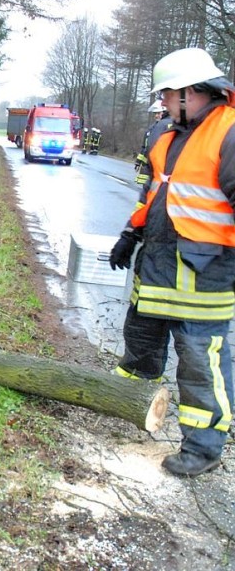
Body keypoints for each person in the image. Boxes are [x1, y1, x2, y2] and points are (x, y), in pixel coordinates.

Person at [108, 47, 235, 477]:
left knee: (200, 357)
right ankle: (126, 401)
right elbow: (158, 195)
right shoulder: (169, 134)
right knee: (141, 337)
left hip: (204, 272)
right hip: (159, 259)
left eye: (166, 95)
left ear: (191, 91)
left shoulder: (230, 132)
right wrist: (132, 231)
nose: (161, 102)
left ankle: (203, 446)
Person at [134, 100, 171, 185]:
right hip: (148, 166)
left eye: (158, 113)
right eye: (155, 113)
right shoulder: (152, 128)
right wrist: (138, 162)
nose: (156, 116)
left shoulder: (168, 125)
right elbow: (145, 147)